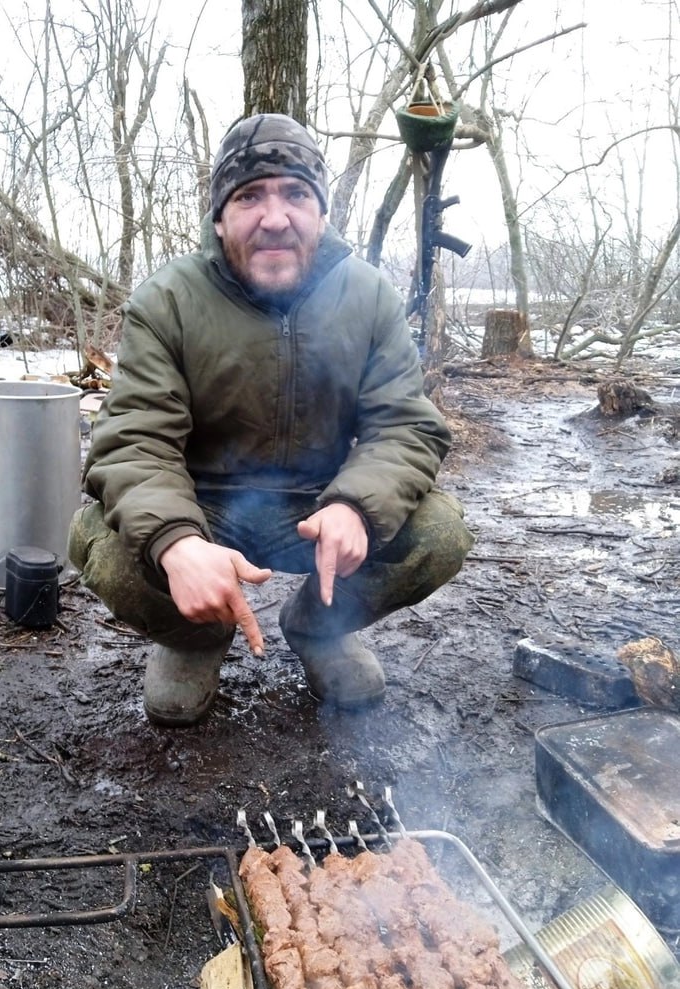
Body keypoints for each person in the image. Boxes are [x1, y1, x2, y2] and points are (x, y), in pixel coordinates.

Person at [69, 112, 473, 727]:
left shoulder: (367, 296)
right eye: (250, 196)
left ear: (321, 212)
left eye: (296, 195)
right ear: (219, 216)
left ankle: (318, 626)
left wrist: (357, 506)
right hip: (204, 510)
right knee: (104, 544)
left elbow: (405, 426)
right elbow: (133, 440)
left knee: (438, 533)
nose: (275, 217)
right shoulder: (168, 300)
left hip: (319, 511)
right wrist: (178, 543)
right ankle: (196, 638)